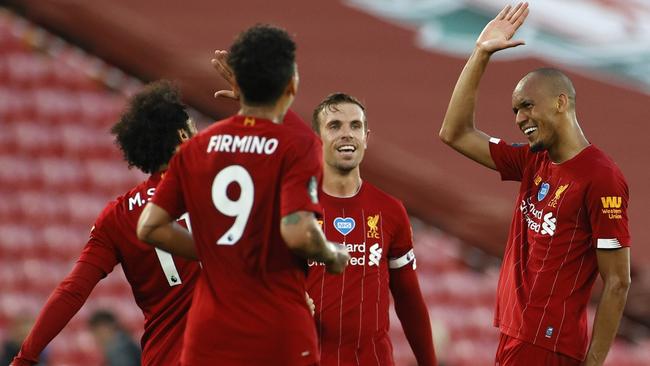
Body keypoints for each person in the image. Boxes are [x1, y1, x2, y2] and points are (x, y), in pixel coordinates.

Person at [136, 24, 350, 366]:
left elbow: (149, 227)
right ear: (291, 84)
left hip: (209, 335)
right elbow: (297, 230)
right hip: (278, 333)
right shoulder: (299, 146)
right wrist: (331, 254)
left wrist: (214, 250)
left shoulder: (197, 147)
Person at [438, 3, 631, 366]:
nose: (520, 119)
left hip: (547, 343)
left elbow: (618, 282)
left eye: (527, 106)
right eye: (515, 111)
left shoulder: (601, 177)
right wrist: (481, 53)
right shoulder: (533, 160)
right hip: (518, 334)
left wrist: (594, 363)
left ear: (561, 103)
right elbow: (455, 133)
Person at [11, 80, 201, 366]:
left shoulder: (118, 215)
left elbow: (72, 290)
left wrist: (24, 358)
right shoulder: (219, 185)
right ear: (182, 134)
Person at [307, 93, 437, 365]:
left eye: (355, 126)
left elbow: (408, 299)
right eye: (334, 126)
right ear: (316, 138)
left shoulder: (390, 210)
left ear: (366, 137)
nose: (347, 134)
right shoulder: (295, 207)